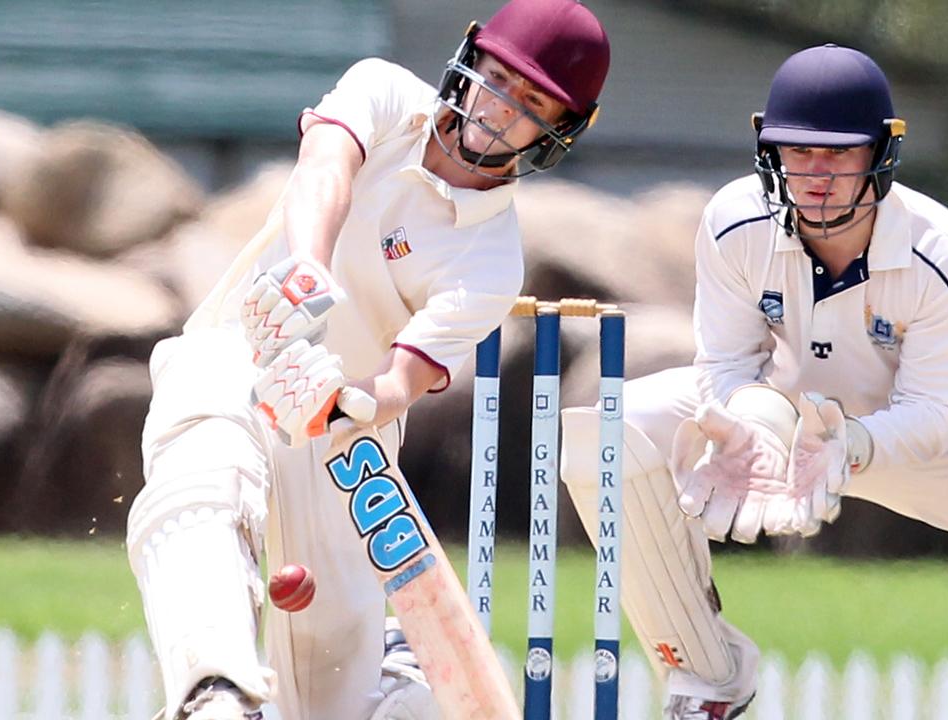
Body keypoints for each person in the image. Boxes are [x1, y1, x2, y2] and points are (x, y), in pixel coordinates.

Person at [560, 44, 948, 720]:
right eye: (798, 152)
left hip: (908, 434)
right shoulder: (735, 221)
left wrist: (851, 443)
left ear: (881, 152)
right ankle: (706, 679)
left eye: (838, 153)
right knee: (607, 429)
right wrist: (755, 423)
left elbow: (936, 408)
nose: (815, 174)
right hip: (780, 418)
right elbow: (725, 364)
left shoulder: (945, 251)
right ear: (770, 149)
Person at [124, 1, 609, 718]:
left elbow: (402, 382)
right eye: (500, 77)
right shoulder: (384, 88)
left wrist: (348, 398)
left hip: (344, 445)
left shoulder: (491, 258)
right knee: (201, 462)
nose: (501, 107)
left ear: (557, 130)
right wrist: (309, 273)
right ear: (471, 61)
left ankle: (386, 671)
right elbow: (325, 167)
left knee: (329, 693)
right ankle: (214, 689)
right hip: (244, 352)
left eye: (532, 101)